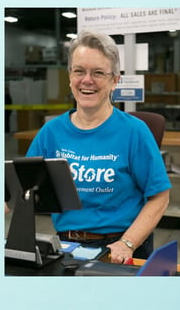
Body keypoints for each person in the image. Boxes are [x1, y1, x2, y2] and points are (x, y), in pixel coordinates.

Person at [25, 30, 171, 264]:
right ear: (70, 76)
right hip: (65, 247)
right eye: (79, 71)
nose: (87, 80)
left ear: (115, 80)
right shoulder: (51, 133)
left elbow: (160, 197)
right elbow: (20, 188)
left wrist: (127, 243)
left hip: (120, 248)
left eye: (98, 73)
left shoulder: (135, 132)